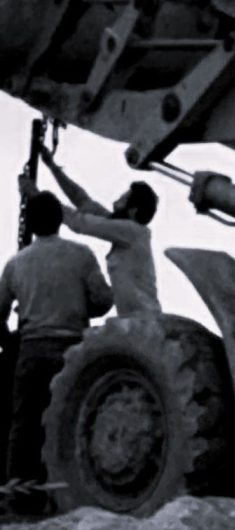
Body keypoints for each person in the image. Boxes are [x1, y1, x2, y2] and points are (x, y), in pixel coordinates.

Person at [0, 188, 112, 486]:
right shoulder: (82, 255)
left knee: (24, 419)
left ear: (31, 223)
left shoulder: (15, 264)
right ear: (60, 220)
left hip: (32, 349)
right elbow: (103, 300)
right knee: (73, 418)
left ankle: (18, 484)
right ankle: (72, 483)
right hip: (73, 348)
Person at [41, 149, 158, 318]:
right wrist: (53, 167)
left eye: (123, 199)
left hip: (144, 322)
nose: (115, 200)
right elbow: (83, 201)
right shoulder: (125, 230)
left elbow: (79, 222)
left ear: (133, 211)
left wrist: (39, 199)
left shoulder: (132, 231)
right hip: (136, 322)